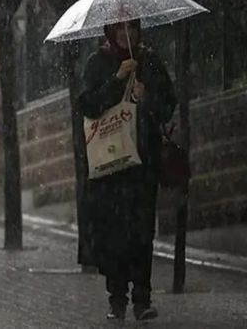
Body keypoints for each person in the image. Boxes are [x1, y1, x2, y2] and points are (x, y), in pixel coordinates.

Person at [78, 19, 176, 321]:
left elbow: (168, 105)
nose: (126, 34)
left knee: (142, 231)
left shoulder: (149, 61)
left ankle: (142, 298)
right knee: (114, 233)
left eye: (131, 28)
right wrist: (116, 81)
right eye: (119, 29)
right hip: (110, 165)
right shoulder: (98, 63)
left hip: (142, 163)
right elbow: (88, 105)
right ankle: (117, 297)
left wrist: (148, 97)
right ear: (110, 32)